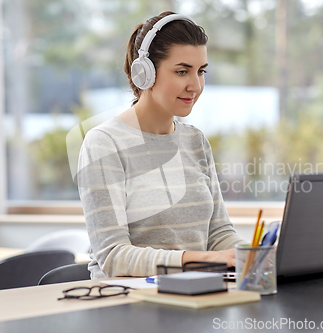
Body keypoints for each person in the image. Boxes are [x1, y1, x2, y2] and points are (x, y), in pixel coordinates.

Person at [77, 11, 246, 279]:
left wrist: (254, 256)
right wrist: (205, 259)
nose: (195, 85)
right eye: (182, 71)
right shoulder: (104, 143)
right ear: (145, 73)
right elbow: (113, 256)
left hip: (195, 293)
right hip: (126, 304)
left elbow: (218, 234)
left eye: (201, 71)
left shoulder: (195, 141)